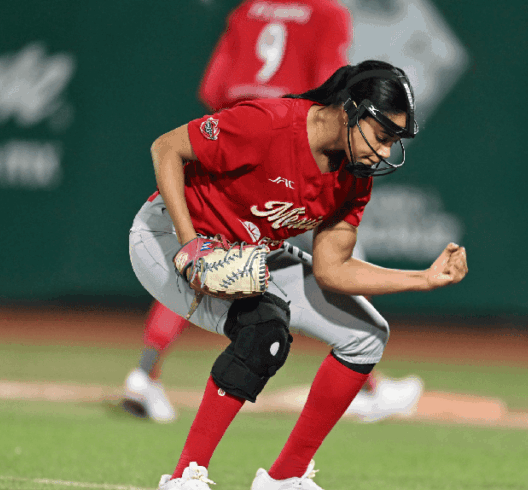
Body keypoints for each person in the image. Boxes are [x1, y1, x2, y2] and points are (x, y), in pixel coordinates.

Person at [129, 60, 468, 490]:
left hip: (249, 249)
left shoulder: (354, 174)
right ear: (351, 110)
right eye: (383, 135)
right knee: (263, 331)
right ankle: (184, 481)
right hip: (168, 237)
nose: (386, 151)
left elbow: (333, 269)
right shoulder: (269, 124)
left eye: (394, 141)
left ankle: (284, 481)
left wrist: (423, 279)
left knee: (365, 335)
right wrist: (191, 246)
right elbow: (166, 148)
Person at [122, 0, 424, 424]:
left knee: (207, 256)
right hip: (293, 145)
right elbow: (336, 90)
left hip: (241, 130)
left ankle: (144, 371)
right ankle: (367, 383)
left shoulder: (248, 10)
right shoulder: (326, 12)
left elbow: (213, 89)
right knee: (336, 263)